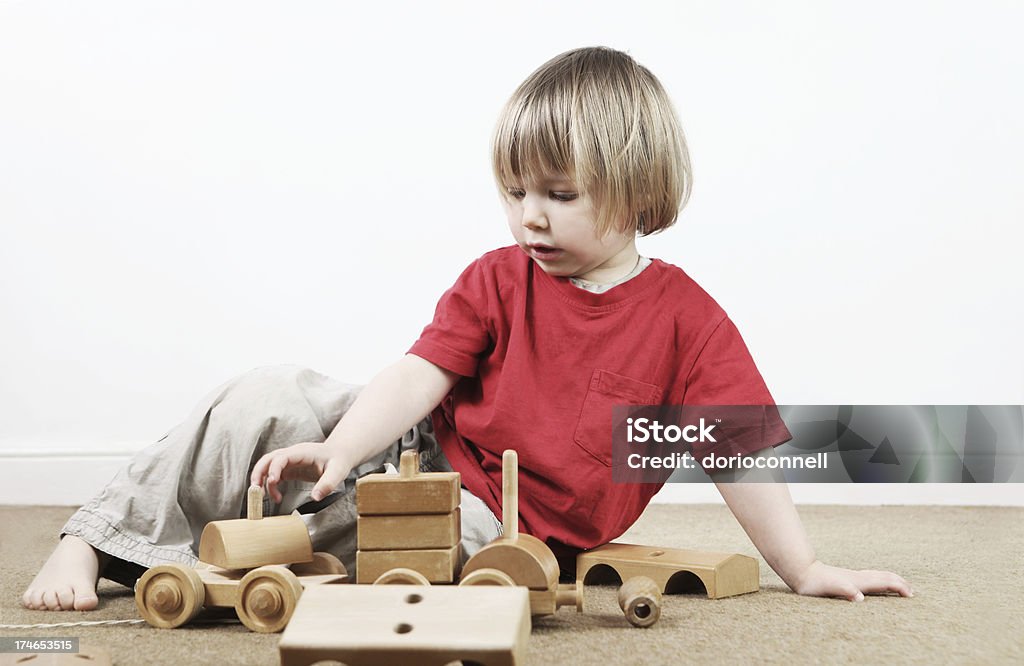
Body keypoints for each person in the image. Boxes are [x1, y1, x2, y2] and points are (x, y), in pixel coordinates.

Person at [22, 46, 911, 612]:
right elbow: (419, 374)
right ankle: (98, 535)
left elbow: (738, 454)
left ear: (640, 191)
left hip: (499, 524)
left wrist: (801, 568)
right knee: (272, 394)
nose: (529, 216)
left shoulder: (688, 319)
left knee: (451, 561)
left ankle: (211, 552)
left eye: (559, 196)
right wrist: (338, 449)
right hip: (416, 444)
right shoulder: (497, 278)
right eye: (516, 191)